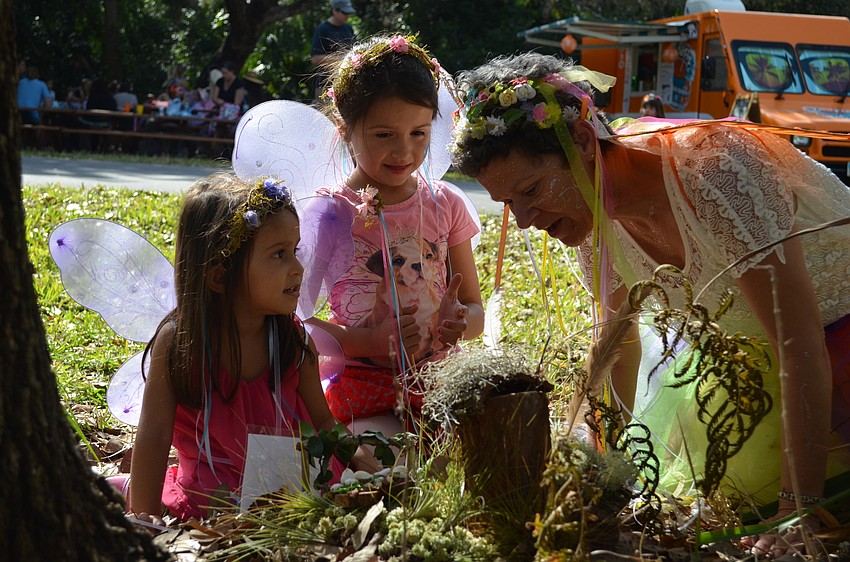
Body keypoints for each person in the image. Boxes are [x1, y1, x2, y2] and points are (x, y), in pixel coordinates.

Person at [449, 52, 850, 557]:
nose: (526, 219)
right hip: (757, 359)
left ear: (581, 142)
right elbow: (616, 342)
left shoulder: (717, 172)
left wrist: (796, 512)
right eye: (509, 203)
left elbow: (801, 342)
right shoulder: (592, 222)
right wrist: (604, 473)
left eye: (531, 189)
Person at [125, 173, 380, 524]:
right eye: (278, 255)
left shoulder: (292, 339)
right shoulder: (181, 344)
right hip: (211, 505)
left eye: (295, 250)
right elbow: (153, 436)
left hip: (289, 496)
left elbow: (323, 421)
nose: (297, 268)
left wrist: (371, 468)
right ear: (219, 275)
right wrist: (143, 519)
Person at [308, 34, 485, 440]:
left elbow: (474, 307)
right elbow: (295, 322)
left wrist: (461, 322)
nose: (404, 151)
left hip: (440, 383)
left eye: (419, 134)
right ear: (345, 129)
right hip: (360, 385)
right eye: (384, 135)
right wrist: (365, 341)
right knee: (376, 461)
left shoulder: (446, 205)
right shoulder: (329, 214)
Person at [310, 0, 356, 101]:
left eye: (349, 13)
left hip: (346, 84)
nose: (347, 16)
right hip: (325, 86)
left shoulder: (349, 28)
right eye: (344, 12)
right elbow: (315, 58)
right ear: (335, 10)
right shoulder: (322, 29)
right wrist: (341, 59)